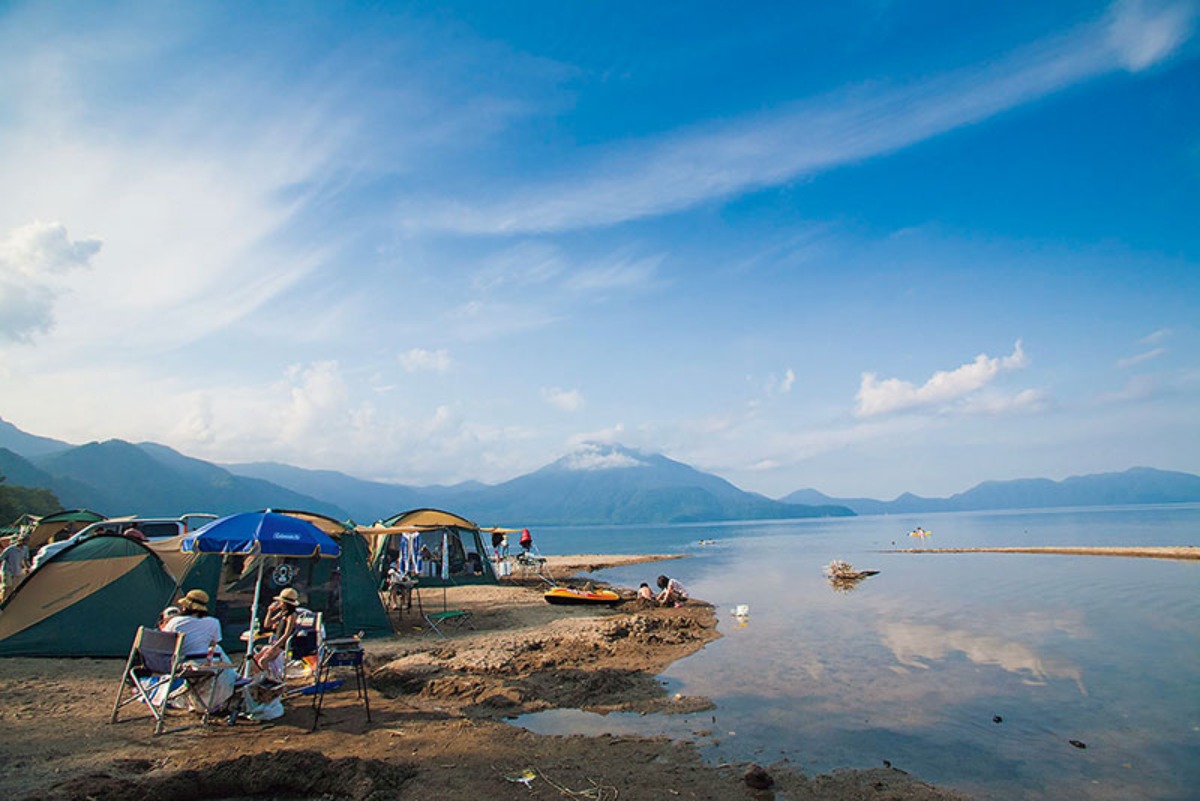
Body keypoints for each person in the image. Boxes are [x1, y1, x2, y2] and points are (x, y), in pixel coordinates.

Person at [162, 589, 226, 660]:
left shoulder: (175, 621)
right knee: (218, 648)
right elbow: (213, 644)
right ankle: (232, 671)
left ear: (186, 607)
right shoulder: (214, 622)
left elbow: (164, 642)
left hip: (181, 662)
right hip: (205, 662)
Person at [251, 587, 299, 676]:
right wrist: (270, 611)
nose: (279, 604)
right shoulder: (282, 613)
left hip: (283, 646)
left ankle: (270, 679)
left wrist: (274, 647)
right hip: (276, 644)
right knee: (255, 658)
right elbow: (267, 624)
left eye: (281, 602)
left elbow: (286, 634)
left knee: (263, 661)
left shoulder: (292, 615)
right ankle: (264, 676)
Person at [0, 533, 31, 602]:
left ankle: (9, 601)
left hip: (17, 570)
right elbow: (1, 558)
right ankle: (3, 601)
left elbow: (25, 559)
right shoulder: (10, 549)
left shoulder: (25, 549)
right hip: (7, 570)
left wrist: (28, 568)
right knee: (7, 586)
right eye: (23, 540)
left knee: (14, 588)